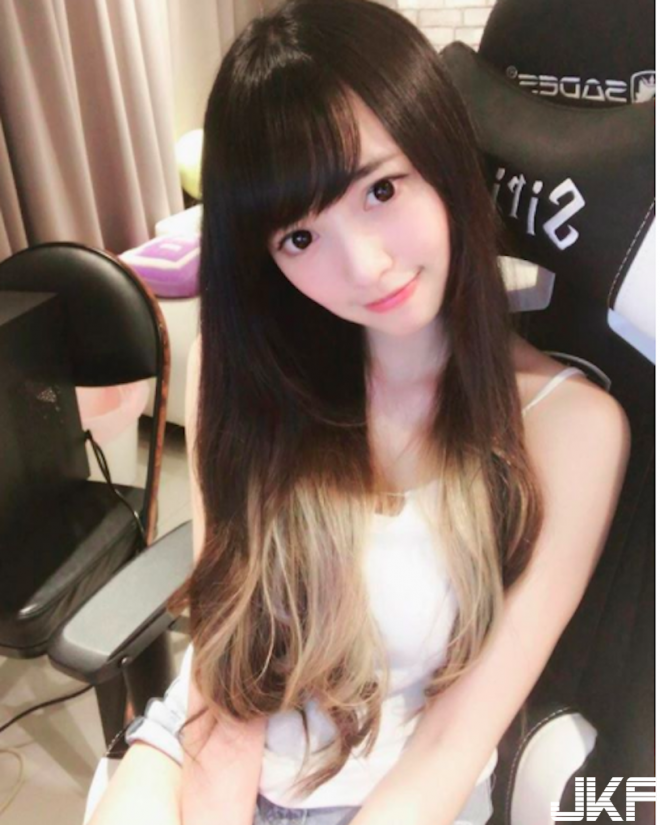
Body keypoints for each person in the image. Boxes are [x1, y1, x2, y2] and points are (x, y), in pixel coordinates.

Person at [88, 1, 630, 824]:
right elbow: (228, 670)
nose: (365, 265)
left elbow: (454, 740)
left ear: (440, 154)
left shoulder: (571, 428)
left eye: (380, 189)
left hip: (397, 790)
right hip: (206, 741)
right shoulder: (242, 374)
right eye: (299, 238)